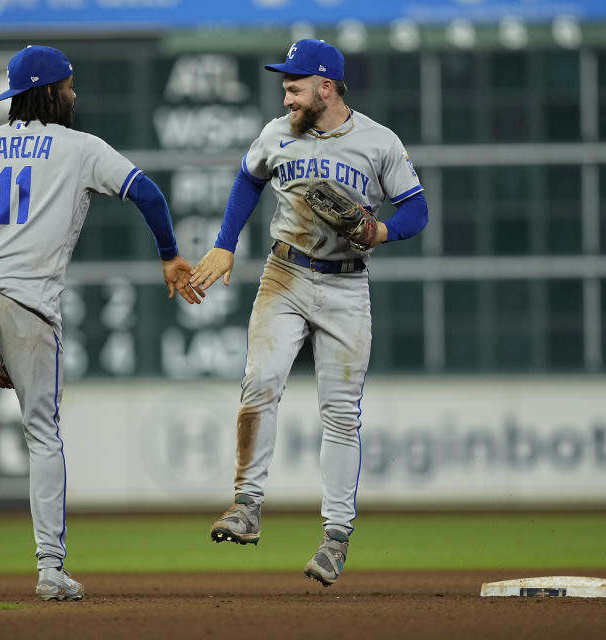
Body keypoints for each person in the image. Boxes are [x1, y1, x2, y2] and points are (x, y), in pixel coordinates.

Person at [0, 44, 202, 602]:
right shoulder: (79, 148)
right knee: (43, 433)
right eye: (69, 86)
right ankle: (51, 569)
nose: (74, 94)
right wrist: (169, 254)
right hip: (29, 302)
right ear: (50, 92)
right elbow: (147, 193)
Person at [189, 39, 429, 586]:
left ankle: (335, 538)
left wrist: (382, 230)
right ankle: (246, 506)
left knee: (341, 413)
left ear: (327, 87)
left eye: (295, 86)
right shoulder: (277, 134)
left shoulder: (377, 141)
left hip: (347, 285)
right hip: (286, 273)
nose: (286, 94)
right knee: (260, 383)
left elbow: (416, 208)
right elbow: (248, 179)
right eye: (285, 86)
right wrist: (225, 242)